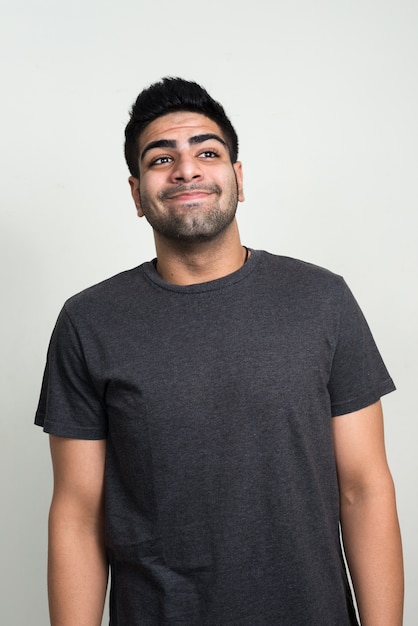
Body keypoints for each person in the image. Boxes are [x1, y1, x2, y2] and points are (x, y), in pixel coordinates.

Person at [35, 77, 403, 625]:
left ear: (237, 177)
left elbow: (365, 489)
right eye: (162, 158)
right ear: (136, 194)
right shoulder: (88, 322)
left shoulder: (322, 299)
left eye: (207, 152)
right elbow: (78, 516)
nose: (186, 169)